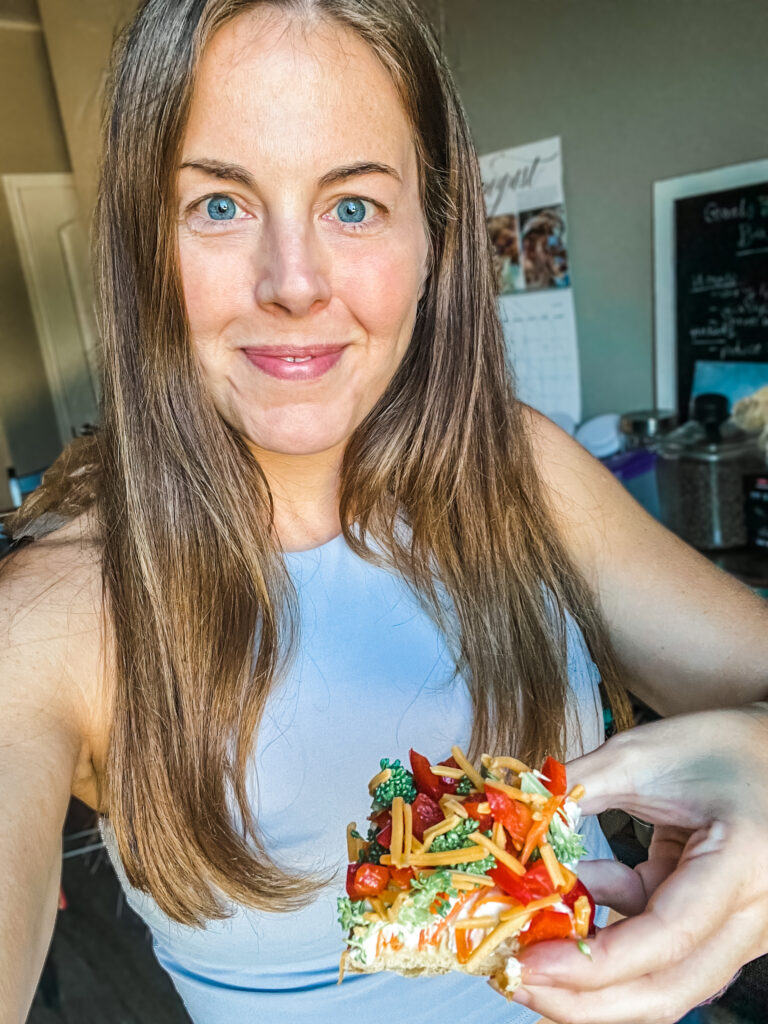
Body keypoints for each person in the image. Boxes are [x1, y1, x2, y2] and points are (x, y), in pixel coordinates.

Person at [1, 2, 767, 1022]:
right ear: (144, 246)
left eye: (354, 206)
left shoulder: (521, 469)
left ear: (434, 237)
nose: (294, 283)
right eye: (219, 205)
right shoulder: (53, 614)